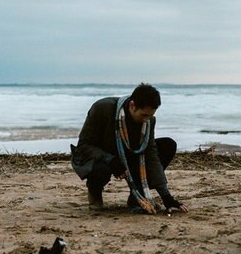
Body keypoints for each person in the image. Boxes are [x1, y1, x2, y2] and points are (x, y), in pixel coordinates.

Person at [71, 83, 188, 214]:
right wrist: (110, 160)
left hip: (129, 153)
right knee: (101, 170)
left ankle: (136, 196)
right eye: (144, 115)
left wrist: (166, 197)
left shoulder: (149, 121)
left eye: (151, 115)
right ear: (132, 105)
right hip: (99, 155)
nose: (147, 120)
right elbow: (84, 145)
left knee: (168, 145)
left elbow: (150, 154)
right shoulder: (103, 108)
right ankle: (94, 192)